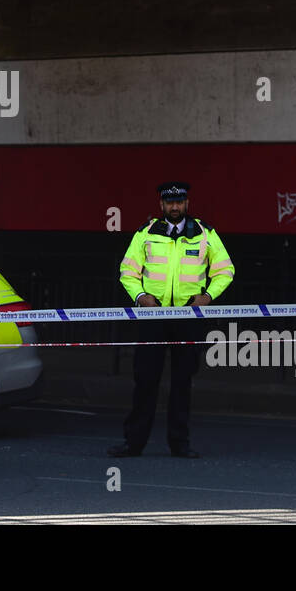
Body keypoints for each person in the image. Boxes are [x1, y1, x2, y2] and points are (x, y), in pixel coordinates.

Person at [107, 181, 235, 458]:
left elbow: (225, 270)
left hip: (189, 316)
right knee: (145, 380)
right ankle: (134, 443)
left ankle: (180, 443)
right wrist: (141, 296)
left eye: (179, 202)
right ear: (161, 205)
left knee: (182, 381)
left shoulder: (204, 233)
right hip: (154, 315)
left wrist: (208, 296)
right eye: (169, 202)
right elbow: (128, 272)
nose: (174, 207)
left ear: (187, 203)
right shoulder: (146, 233)